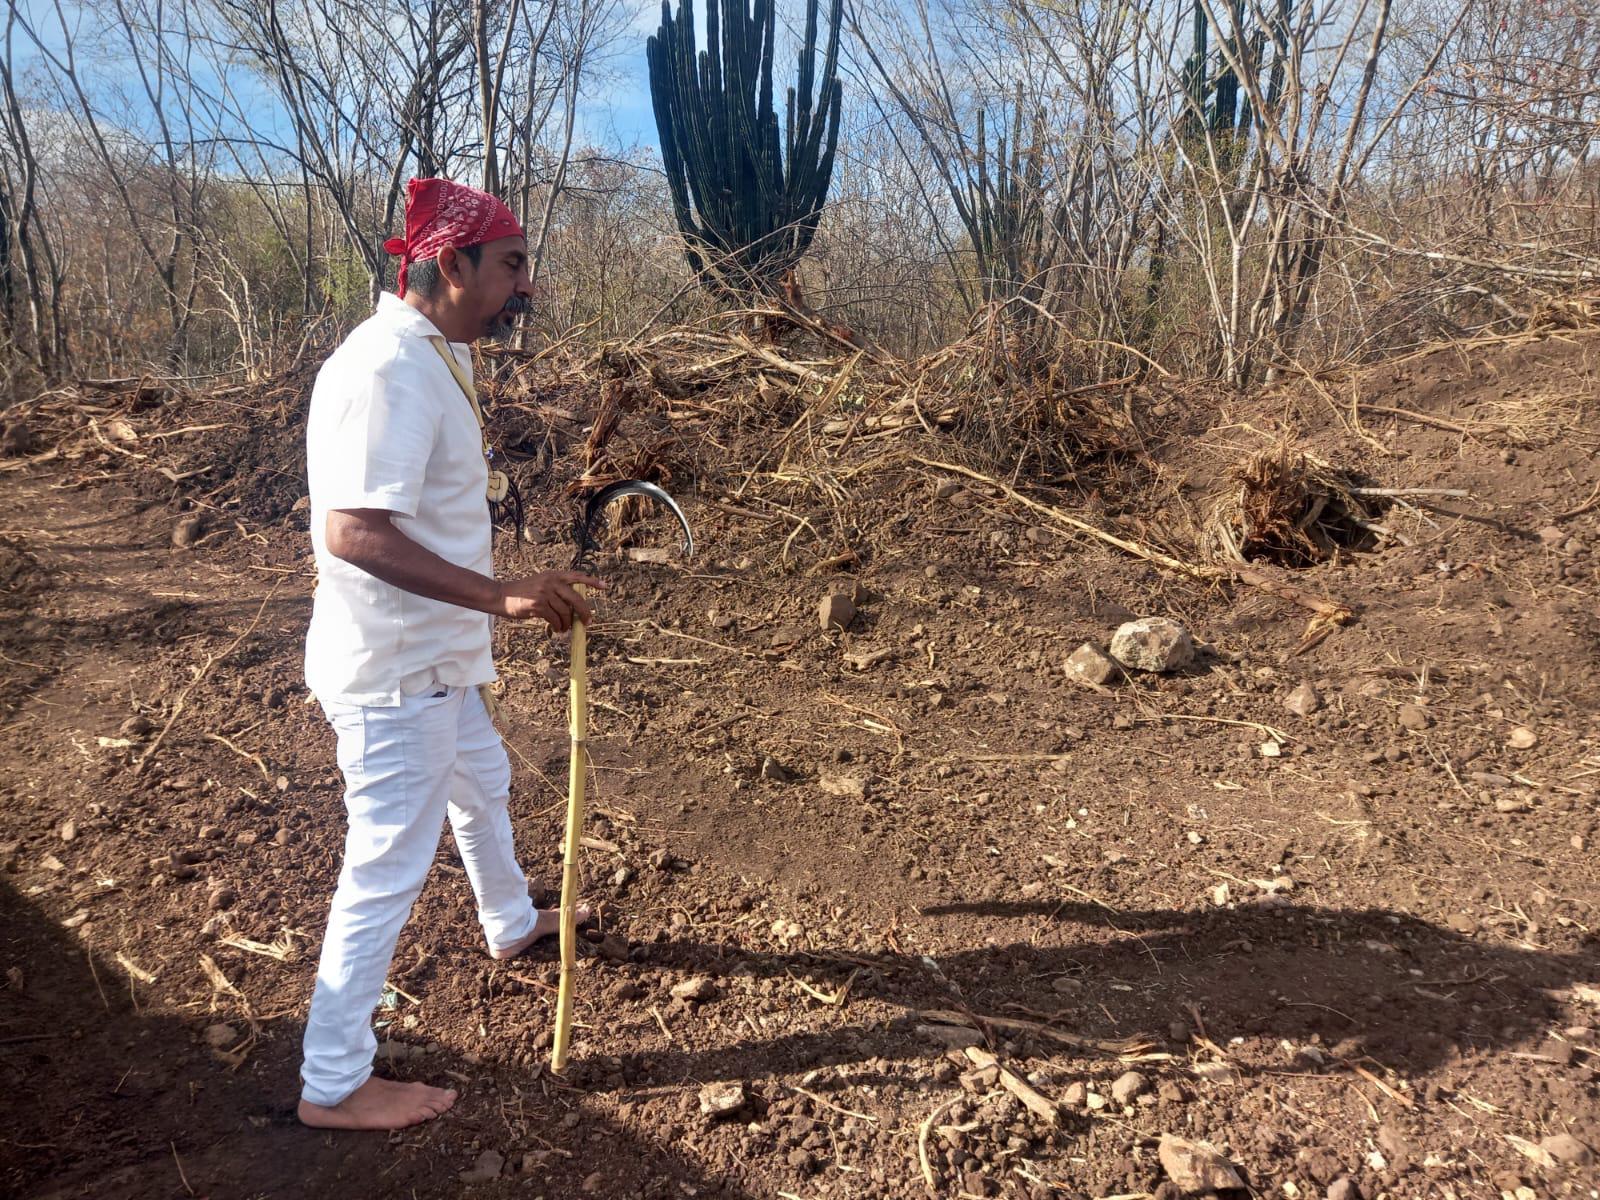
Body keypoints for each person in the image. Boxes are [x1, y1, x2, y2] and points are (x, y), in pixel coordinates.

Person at [297, 177, 604, 1131]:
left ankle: (512, 924)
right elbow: (352, 531)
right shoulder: (388, 367)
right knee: (387, 866)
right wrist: (500, 596)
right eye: (511, 266)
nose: (527, 287)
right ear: (449, 264)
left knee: (484, 782)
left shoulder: (436, 355)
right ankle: (334, 1080)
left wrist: (485, 603)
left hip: (439, 658)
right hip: (397, 673)